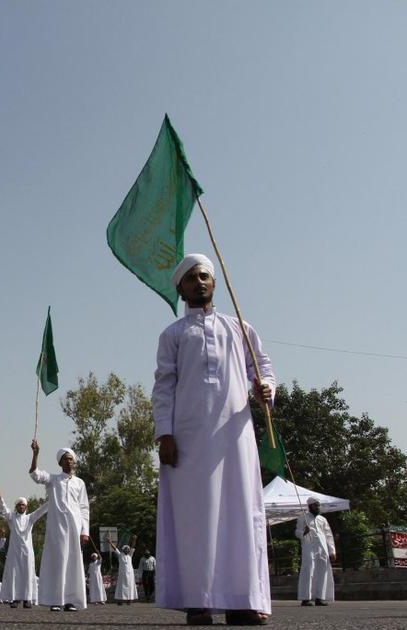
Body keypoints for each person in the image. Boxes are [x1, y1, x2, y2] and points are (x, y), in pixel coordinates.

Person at [152, 253, 275, 626]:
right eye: (191, 279)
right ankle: (198, 600)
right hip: (188, 438)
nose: (199, 282)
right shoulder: (172, 335)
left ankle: (242, 601)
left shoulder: (239, 327)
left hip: (234, 435)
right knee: (195, 518)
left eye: (204, 276)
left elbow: (263, 367)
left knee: (240, 511)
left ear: (215, 283)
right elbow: (164, 386)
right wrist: (165, 433)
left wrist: (265, 388)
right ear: (181, 289)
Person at [29, 440, 90, 611]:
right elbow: (34, 474)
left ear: (74, 461)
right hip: (57, 529)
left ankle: (70, 601)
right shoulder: (53, 480)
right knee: (57, 562)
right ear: (60, 463)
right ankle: (55, 600)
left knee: (72, 564)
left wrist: (85, 531)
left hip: (74, 528)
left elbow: (84, 508)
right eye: (64, 459)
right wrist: (35, 454)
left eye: (70, 459)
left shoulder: (80, 483)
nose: (68, 461)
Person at [0, 487, 47, 608]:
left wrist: (52, 498)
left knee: (28, 574)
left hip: (27, 552)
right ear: (16, 507)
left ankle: (27, 599)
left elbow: (41, 510)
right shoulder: (11, 517)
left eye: (23, 505)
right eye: (19, 505)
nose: (21, 507)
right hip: (14, 551)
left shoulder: (30, 518)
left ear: (26, 507)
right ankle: (14, 599)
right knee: (14, 574)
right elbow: (3, 508)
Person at [296, 498, 336, 606]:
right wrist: (304, 532)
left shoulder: (322, 519)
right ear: (310, 506)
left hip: (322, 547)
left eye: (318, 505)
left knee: (323, 572)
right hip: (309, 546)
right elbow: (297, 532)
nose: (318, 507)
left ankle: (320, 597)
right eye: (315, 505)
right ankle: (305, 598)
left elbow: (328, 535)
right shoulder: (302, 517)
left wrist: (332, 550)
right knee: (308, 570)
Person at [111, 536, 137, 605]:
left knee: (130, 586)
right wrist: (110, 542)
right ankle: (120, 601)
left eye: (128, 549)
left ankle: (129, 600)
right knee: (121, 587)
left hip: (130, 574)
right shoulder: (120, 555)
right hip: (122, 574)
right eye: (125, 549)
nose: (127, 550)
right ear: (123, 550)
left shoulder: (130, 555)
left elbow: (133, 546)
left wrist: (134, 539)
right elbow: (115, 548)